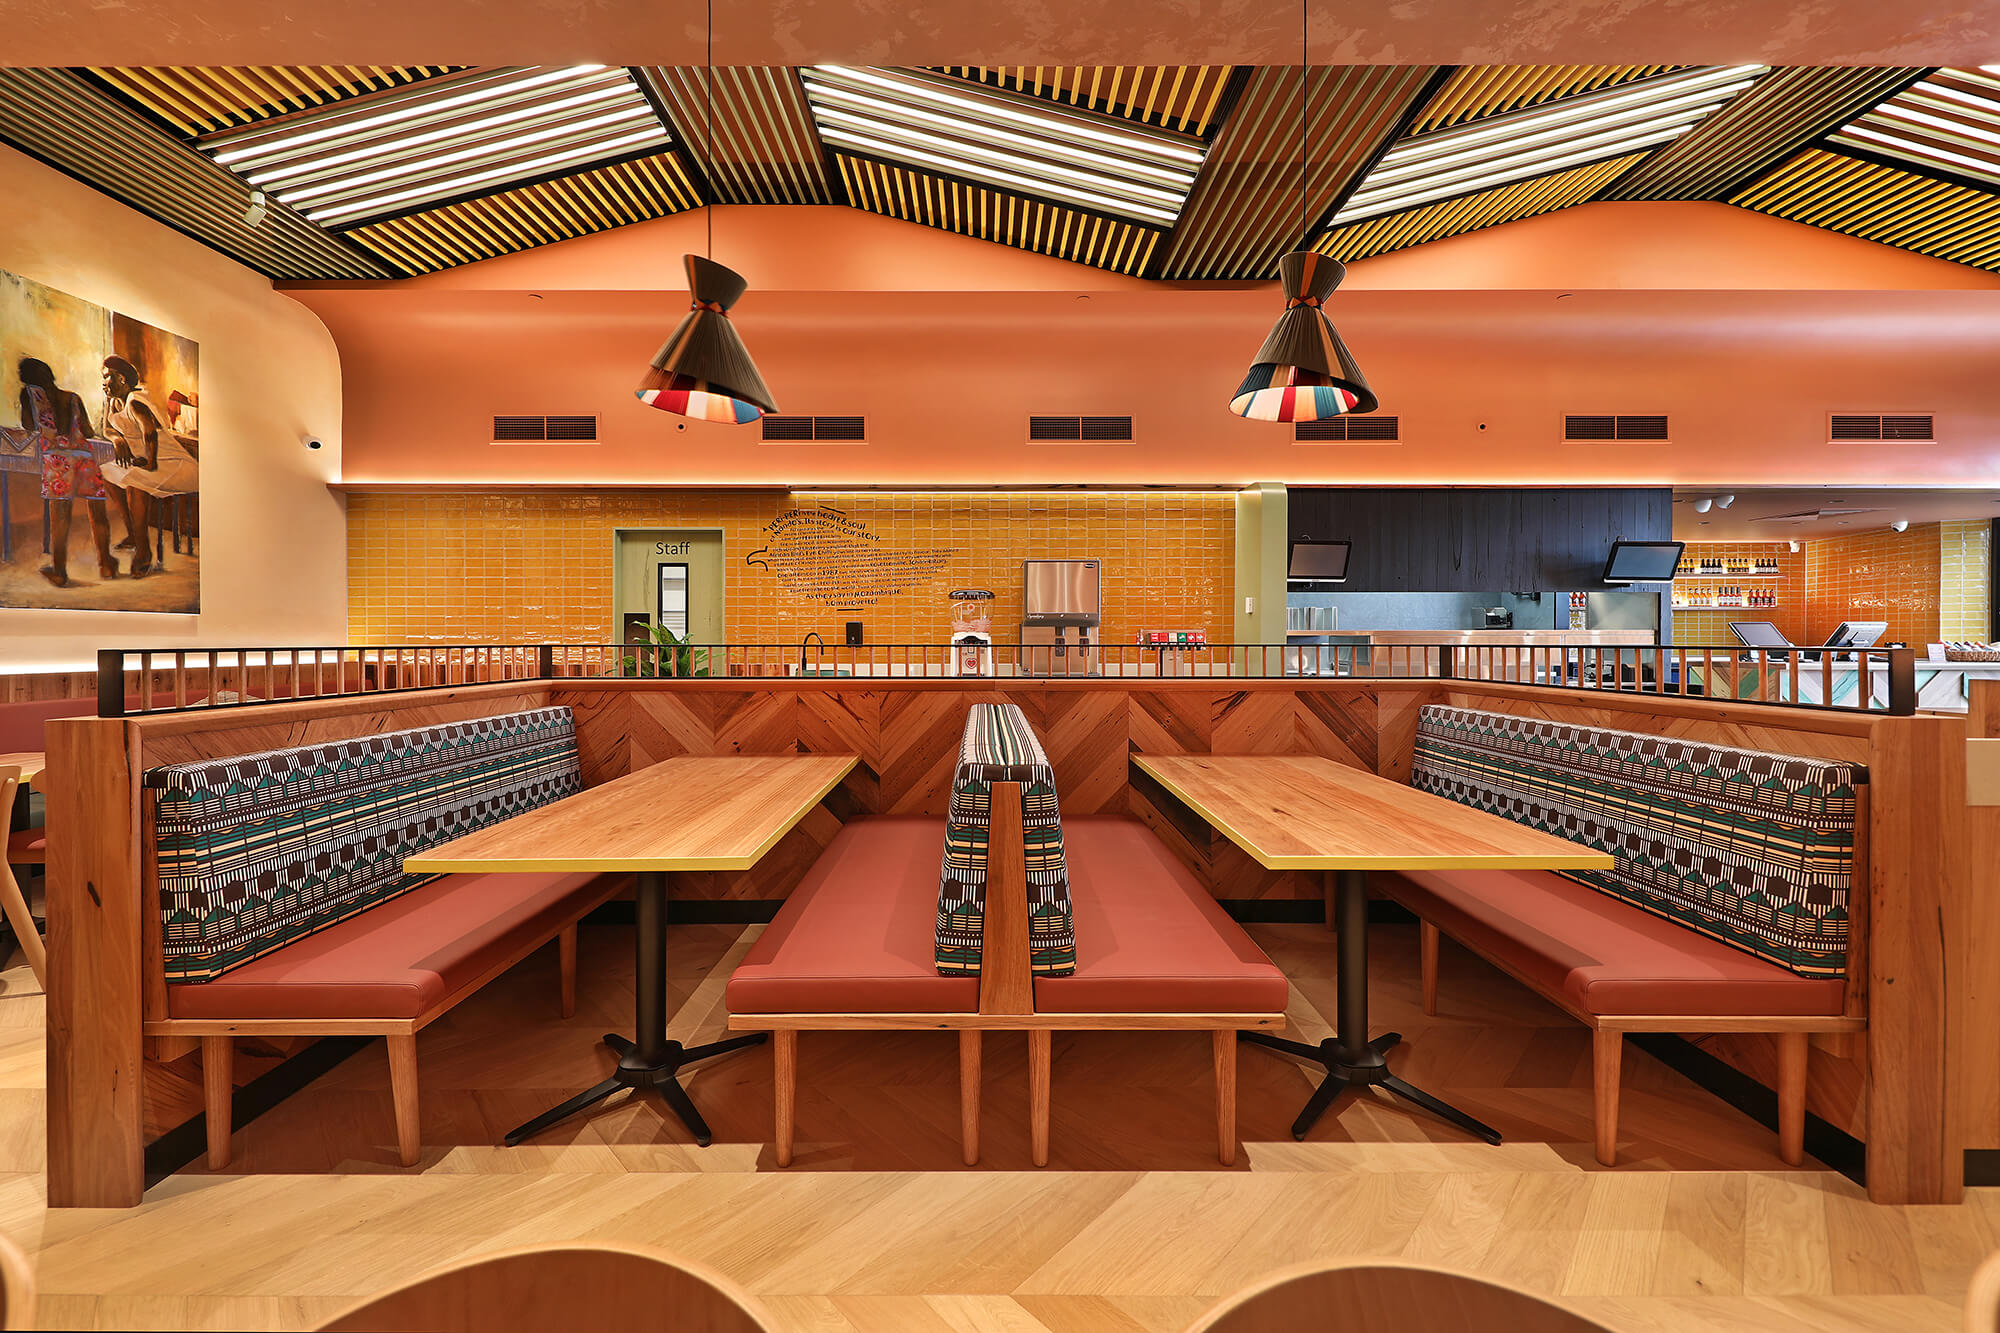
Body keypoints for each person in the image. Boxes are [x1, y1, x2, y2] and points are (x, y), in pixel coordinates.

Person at [15, 357, 114, 588]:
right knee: (98, 513)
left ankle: (59, 571)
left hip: (58, 460)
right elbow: (88, 430)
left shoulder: (29, 395)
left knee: (61, 517)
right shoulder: (73, 397)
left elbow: (28, 427)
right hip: (84, 457)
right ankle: (106, 563)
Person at [98, 354, 196, 577]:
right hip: (146, 460)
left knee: (135, 482)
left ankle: (143, 552)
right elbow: (107, 429)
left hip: (171, 462)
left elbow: (149, 433)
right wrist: (117, 439)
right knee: (105, 473)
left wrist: (150, 463)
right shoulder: (112, 401)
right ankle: (133, 533)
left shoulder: (135, 400)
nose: (104, 384)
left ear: (121, 379)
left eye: (107, 378)